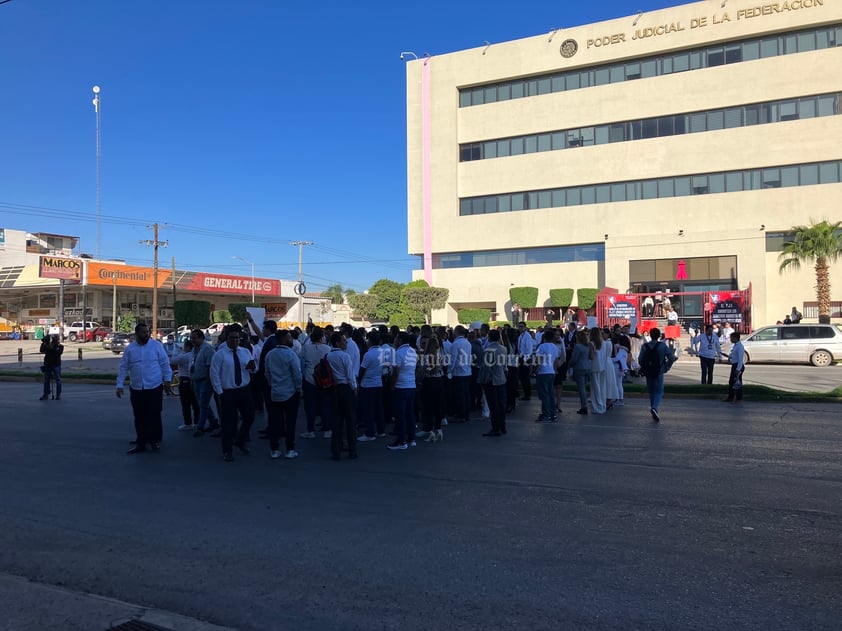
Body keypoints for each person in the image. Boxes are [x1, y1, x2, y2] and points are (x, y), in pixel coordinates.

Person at [116, 323, 173, 454]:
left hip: (154, 386)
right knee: (139, 416)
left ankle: (155, 441)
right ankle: (141, 442)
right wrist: (119, 385)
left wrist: (168, 380)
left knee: (154, 414)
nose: (146, 334)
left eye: (147, 332)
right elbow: (123, 367)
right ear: (136, 334)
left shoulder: (156, 346)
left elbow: (165, 363)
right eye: (143, 332)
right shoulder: (130, 349)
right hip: (137, 388)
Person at [210, 324, 257, 462]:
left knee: (249, 416)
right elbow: (214, 374)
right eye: (232, 338)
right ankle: (227, 450)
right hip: (228, 391)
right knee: (228, 423)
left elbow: (253, 369)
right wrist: (220, 392)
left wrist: (253, 368)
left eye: (237, 338)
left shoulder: (245, 352)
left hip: (244, 389)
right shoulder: (220, 354)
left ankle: (241, 440)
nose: (235, 341)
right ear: (227, 338)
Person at [264, 330, 302, 459]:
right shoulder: (291, 355)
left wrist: (272, 385)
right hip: (290, 392)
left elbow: (267, 373)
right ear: (285, 339)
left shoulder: (270, 354)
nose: (291, 339)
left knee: (275, 422)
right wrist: (298, 388)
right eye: (289, 337)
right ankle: (290, 449)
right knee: (290, 423)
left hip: (275, 392)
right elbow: (297, 374)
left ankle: (274, 449)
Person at [325, 332, 358, 460]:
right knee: (350, 421)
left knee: (336, 422)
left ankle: (336, 451)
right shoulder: (345, 356)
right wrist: (354, 388)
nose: (346, 343)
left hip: (334, 389)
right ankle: (352, 450)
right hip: (346, 388)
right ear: (338, 343)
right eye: (344, 341)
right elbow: (350, 376)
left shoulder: (328, 356)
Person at [387, 331, 418, 450]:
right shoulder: (413, 352)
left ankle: (401, 441)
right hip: (411, 384)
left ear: (399, 340)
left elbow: (396, 371)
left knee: (400, 415)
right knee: (410, 413)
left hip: (401, 386)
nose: (394, 340)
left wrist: (392, 385)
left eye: (396, 339)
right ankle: (411, 438)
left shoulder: (398, 353)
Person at [638, 327, 674, 422]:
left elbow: (640, 359)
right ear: (659, 336)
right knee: (659, 391)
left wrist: (644, 367)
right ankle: (654, 407)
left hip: (648, 371)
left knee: (651, 390)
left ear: (650, 335)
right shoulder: (662, 346)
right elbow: (671, 357)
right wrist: (667, 366)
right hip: (659, 371)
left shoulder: (645, 346)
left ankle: (654, 408)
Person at [190, 329, 219, 437]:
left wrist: (208, 381)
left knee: (203, 404)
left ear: (201, 338)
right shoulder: (195, 349)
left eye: (194, 338)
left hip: (205, 380)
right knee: (202, 403)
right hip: (196, 379)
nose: (192, 340)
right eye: (191, 338)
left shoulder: (208, 349)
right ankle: (213, 422)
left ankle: (200, 427)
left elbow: (209, 366)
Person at [357, 330, 386, 442]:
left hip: (367, 384)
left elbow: (362, 369)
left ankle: (370, 433)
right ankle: (381, 431)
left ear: (370, 341)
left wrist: (358, 381)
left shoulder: (368, 354)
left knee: (368, 409)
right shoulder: (383, 352)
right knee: (379, 409)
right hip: (378, 383)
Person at [478, 329, 507, 436]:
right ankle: (502, 426)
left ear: (489, 337)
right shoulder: (503, 349)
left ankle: (495, 428)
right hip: (501, 378)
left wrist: (482, 380)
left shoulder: (488, 350)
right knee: (501, 404)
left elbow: (486, 368)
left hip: (491, 381)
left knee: (493, 406)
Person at [533, 327, 560, 423]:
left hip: (543, 372)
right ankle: (552, 414)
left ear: (544, 338)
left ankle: (546, 414)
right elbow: (556, 362)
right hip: (551, 371)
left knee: (544, 394)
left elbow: (538, 360)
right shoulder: (554, 347)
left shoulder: (542, 347)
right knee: (551, 393)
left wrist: (535, 369)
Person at [171, 339, 199, 430]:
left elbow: (173, 360)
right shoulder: (195, 355)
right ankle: (197, 422)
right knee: (195, 403)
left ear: (187, 347)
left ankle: (188, 423)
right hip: (194, 380)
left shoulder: (185, 356)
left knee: (186, 403)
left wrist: (177, 351)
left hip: (185, 381)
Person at [568, 330, 591, 415]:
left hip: (579, 368)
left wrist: (569, 365)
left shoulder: (578, 347)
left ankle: (584, 406)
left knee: (581, 388)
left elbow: (574, 359)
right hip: (587, 367)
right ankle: (584, 405)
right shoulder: (588, 346)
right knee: (583, 387)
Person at [588, 327, 607, 414]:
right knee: (601, 386)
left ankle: (597, 406)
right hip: (602, 365)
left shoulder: (591, 344)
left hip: (594, 366)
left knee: (595, 387)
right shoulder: (603, 343)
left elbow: (591, 356)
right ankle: (602, 405)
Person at [39, 334, 63, 400]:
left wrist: (51, 346)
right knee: (46, 380)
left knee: (58, 380)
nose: (53, 340)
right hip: (48, 364)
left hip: (56, 364)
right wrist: (44, 342)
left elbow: (57, 352)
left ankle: (58, 395)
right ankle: (46, 394)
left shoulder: (60, 346)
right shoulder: (47, 345)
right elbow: (41, 350)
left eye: (55, 339)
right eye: (53, 339)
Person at [723, 332, 746, 403]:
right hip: (734, 365)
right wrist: (729, 356)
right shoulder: (735, 345)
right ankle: (732, 397)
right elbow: (734, 355)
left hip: (737, 366)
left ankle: (738, 398)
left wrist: (738, 369)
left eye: (731, 338)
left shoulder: (740, 346)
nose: (730, 339)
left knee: (737, 382)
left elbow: (740, 359)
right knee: (733, 382)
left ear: (736, 338)